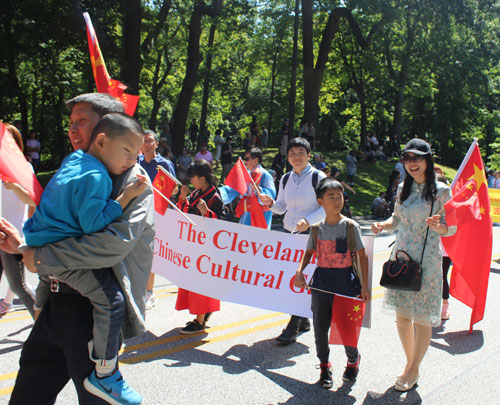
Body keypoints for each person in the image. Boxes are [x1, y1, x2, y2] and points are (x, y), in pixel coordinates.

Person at [5, 92, 154, 405]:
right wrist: (26, 253)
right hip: (55, 304)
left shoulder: (133, 180)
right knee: (29, 392)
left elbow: (110, 246)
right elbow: (53, 228)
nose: (72, 130)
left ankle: (106, 373)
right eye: (71, 123)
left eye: (82, 122)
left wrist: (37, 258)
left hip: (92, 310)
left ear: (106, 129)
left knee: (97, 399)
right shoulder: (76, 168)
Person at [371, 138, 455, 392]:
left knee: (422, 320)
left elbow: (451, 228)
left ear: (427, 160)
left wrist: (439, 227)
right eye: (407, 159)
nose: (411, 163)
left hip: (427, 262)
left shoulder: (442, 192)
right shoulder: (401, 190)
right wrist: (381, 226)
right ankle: (411, 364)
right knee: (402, 318)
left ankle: (413, 369)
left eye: (417, 158)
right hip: (401, 259)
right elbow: (395, 221)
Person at [294, 178, 370, 387]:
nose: (337, 201)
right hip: (321, 283)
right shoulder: (317, 229)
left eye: (340, 196)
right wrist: (300, 271)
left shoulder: (350, 226)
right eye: (331, 197)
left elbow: (362, 257)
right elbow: (308, 253)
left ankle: (353, 361)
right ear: (321, 202)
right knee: (320, 328)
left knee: (346, 328)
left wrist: (364, 286)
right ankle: (325, 367)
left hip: (346, 283)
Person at [260, 137, 326, 345]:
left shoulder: (318, 176)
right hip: (290, 234)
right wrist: (270, 203)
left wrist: (309, 221)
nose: (296, 157)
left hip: (312, 234)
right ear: (287, 157)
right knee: (292, 276)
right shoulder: (286, 178)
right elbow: (281, 206)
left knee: (302, 276)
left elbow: (327, 206)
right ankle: (303, 319)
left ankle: (293, 326)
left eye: (300, 153)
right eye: (292, 154)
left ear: (308, 155)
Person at [176, 161, 224, 334]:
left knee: (200, 284)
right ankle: (201, 316)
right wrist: (182, 198)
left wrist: (207, 212)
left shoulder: (215, 197)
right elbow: (184, 213)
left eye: (193, 177)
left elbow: (222, 226)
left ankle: (199, 320)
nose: (191, 181)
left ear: (202, 178)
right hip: (194, 244)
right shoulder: (196, 193)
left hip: (207, 248)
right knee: (193, 282)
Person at [0, 123, 36, 318]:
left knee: (18, 285)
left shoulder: (23, 167)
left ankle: (43, 321)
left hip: (13, 234)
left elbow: (33, 200)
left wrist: (30, 227)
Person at [138, 129, 177, 310]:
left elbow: (175, 189)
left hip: (157, 214)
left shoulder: (164, 164)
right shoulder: (135, 162)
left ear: (156, 144)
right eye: (143, 141)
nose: (146, 144)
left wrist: (163, 188)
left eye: (150, 141)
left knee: (151, 254)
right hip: (137, 212)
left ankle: (148, 292)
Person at [219, 147, 276, 229]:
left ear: (256, 160)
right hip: (247, 212)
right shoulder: (246, 174)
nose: (245, 161)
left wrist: (260, 190)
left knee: (258, 239)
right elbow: (232, 189)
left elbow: (271, 196)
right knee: (244, 237)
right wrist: (217, 194)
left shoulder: (265, 175)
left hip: (260, 214)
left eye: (247, 159)